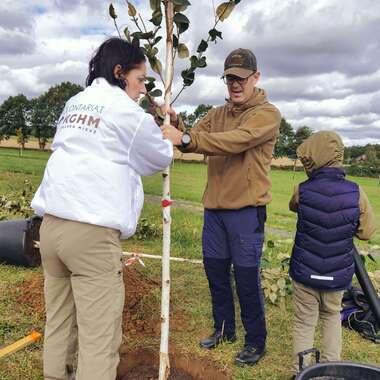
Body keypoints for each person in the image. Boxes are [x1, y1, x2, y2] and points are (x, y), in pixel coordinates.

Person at [31, 37, 174, 380]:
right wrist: (167, 131)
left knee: (60, 322)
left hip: (50, 227)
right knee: (99, 336)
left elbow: (107, 144)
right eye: (140, 80)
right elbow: (158, 156)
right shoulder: (128, 112)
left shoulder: (76, 103)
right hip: (91, 236)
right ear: (119, 72)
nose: (142, 90)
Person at [161, 48, 281, 365]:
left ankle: (255, 341)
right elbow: (196, 136)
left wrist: (185, 139)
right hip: (214, 211)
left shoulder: (267, 114)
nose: (235, 85)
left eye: (241, 78)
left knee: (245, 279)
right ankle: (224, 329)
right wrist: (178, 125)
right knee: (216, 274)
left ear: (256, 77)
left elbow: (234, 142)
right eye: (230, 78)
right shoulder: (217, 114)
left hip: (246, 212)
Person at [288, 131, 376, 377]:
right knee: (331, 318)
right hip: (337, 275)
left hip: (305, 272)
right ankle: (331, 371)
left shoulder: (302, 189)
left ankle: (302, 372)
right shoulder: (356, 192)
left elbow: (293, 206)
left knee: (304, 323)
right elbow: (367, 232)